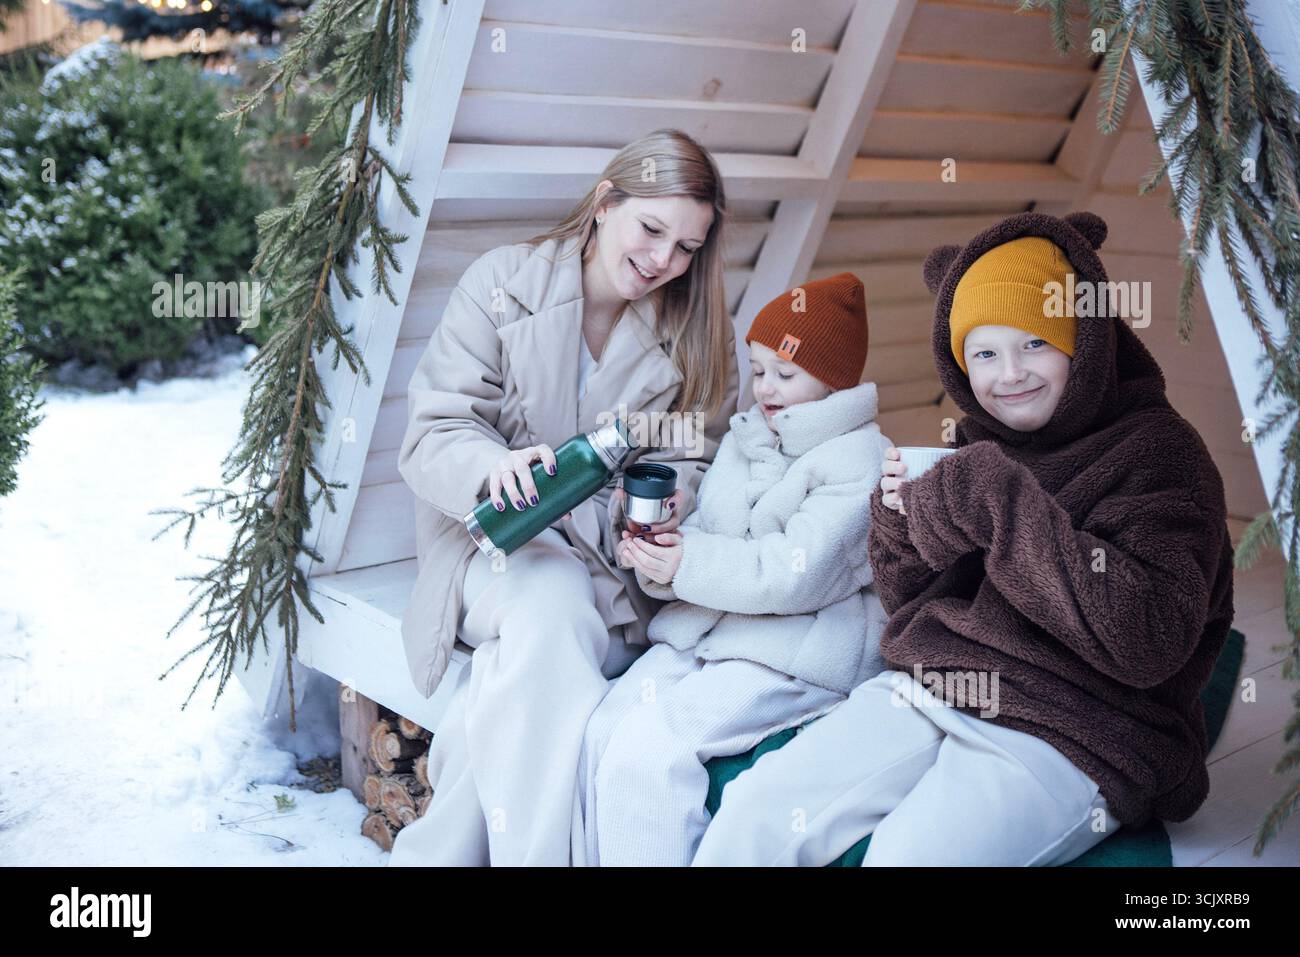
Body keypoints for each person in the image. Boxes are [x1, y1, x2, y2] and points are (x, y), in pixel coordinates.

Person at [692, 210, 1235, 866]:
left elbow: (1147, 640)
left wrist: (999, 500)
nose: (1009, 374)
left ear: (1084, 339)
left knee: (909, 855)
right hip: (939, 680)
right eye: (984, 352)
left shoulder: (1159, 454)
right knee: (757, 810)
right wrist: (898, 521)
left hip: (1080, 725)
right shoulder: (980, 440)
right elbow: (907, 598)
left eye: (1034, 342)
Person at [388, 129, 739, 866]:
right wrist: (494, 467)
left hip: (613, 565)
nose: (663, 261)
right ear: (605, 202)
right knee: (549, 604)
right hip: (489, 543)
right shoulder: (501, 284)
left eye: (686, 247)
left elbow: (694, 458)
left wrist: (667, 504)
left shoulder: (695, 333)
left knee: (521, 671)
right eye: (651, 229)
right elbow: (432, 433)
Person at [577, 273, 892, 866]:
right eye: (758, 368)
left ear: (834, 377)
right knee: (602, 727)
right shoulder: (749, 437)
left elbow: (794, 574)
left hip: (795, 652)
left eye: (786, 372)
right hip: (711, 631)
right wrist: (662, 554)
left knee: (653, 747)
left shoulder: (859, 461)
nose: (765, 387)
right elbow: (709, 540)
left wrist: (688, 563)